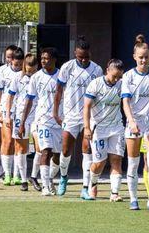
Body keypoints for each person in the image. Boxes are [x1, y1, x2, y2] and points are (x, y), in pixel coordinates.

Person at [121, 35, 149, 211]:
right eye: (140, 57)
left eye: (146, 57)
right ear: (134, 57)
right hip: (135, 122)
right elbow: (126, 101)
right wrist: (131, 121)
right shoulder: (128, 76)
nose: (143, 60)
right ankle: (133, 198)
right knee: (133, 163)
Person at [53, 37, 102, 198]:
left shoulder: (97, 70)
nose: (83, 59)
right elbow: (59, 91)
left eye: (86, 56)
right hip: (71, 115)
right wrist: (56, 112)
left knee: (87, 150)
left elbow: (99, 94)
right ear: (75, 53)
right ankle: (63, 177)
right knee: (66, 150)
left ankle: (85, 187)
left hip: (90, 116)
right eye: (80, 56)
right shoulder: (67, 67)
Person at [83, 58, 127, 201]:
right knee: (99, 162)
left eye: (119, 77)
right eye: (114, 76)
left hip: (117, 127)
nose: (116, 80)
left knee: (116, 159)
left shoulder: (122, 84)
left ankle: (114, 193)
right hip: (99, 128)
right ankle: (93, 183)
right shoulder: (95, 84)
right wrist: (87, 127)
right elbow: (87, 107)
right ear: (107, 70)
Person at [24, 48, 62, 197]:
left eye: (46, 58)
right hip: (42, 120)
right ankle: (45, 186)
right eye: (42, 58)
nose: (43, 61)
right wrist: (22, 122)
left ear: (54, 60)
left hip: (59, 121)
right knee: (45, 151)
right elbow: (29, 99)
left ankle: (50, 178)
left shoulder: (62, 76)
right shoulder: (36, 77)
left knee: (58, 155)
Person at [0, 46, 23, 186]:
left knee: (18, 142)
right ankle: (7, 173)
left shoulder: (26, 73)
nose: (17, 67)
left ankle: (16, 175)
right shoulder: (2, 71)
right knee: (8, 141)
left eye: (20, 64)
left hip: (21, 111)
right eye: (15, 64)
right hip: (6, 110)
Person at [8, 52, 39, 191]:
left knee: (40, 148)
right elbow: (10, 96)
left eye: (33, 70)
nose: (30, 73)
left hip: (38, 116)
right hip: (21, 115)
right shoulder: (17, 78)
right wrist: (8, 115)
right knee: (22, 148)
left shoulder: (40, 78)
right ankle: (24, 180)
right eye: (28, 70)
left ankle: (34, 176)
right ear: (24, 67)